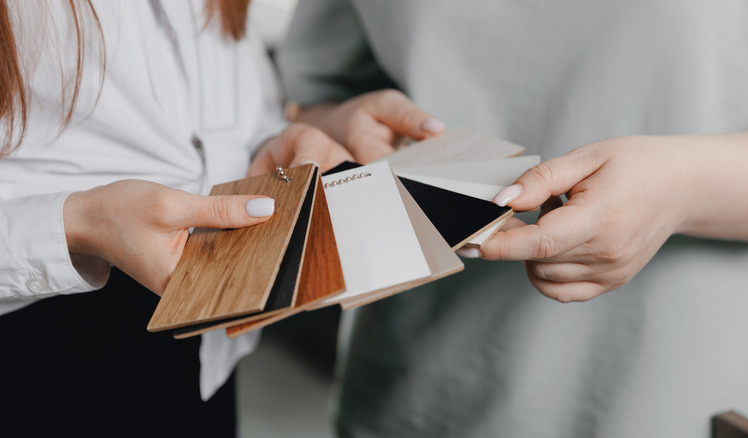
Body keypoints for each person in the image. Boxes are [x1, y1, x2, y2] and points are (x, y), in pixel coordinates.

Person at [278, 1, 748, 436]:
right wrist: (339, 128)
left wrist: (679, 189)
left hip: (676, 397)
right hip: (416, 391)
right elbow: (307, 100)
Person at [0, 1, 440, 436]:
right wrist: (78, 223)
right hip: (36, 322)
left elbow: (221, 102)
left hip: (202, 333)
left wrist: (296, 133)